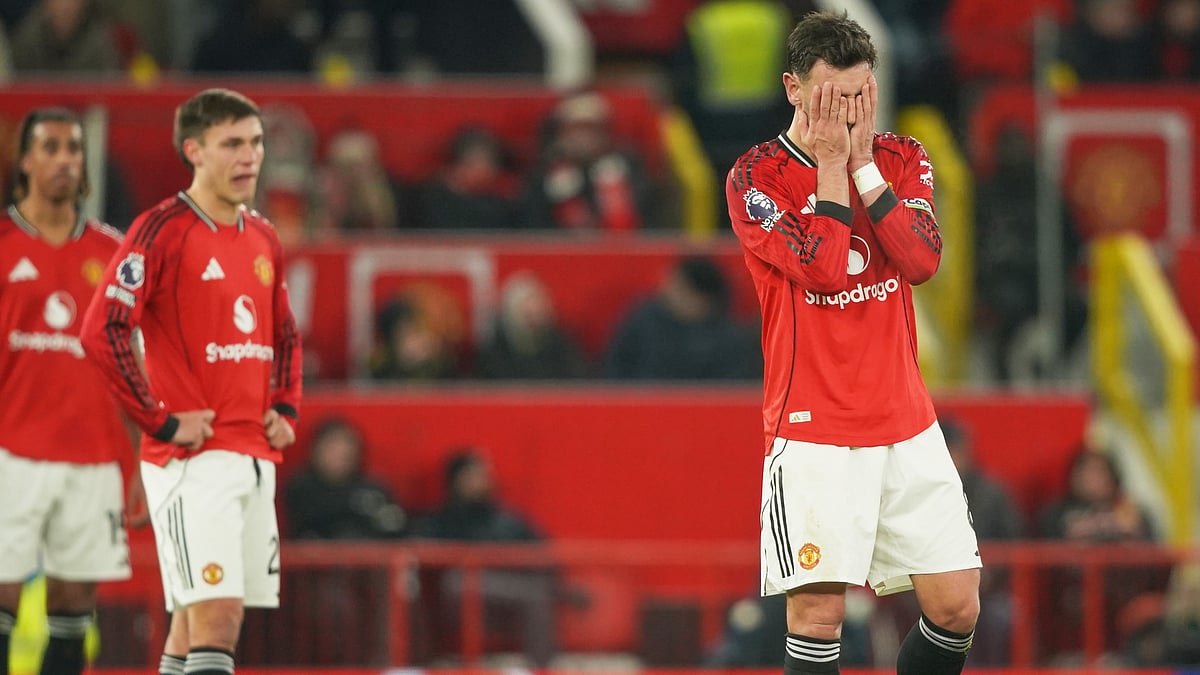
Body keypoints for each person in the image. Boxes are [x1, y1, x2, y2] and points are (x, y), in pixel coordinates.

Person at [725, 12, 981, 675]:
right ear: (793, 88)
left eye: (862, 94)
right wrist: (833, 169)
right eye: (832, 97)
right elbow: (826, 267)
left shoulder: (902, 157)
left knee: (957, 607)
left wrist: (863, 165)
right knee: (818, 620)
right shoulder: (756, 179)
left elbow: (922, 262)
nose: (848, 112)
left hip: (906, 421)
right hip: (814, 428)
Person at [79, 88, 303, 675]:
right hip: (192, 461)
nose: (249, 157)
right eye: (232, 144)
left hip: (252, 454)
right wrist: (158, 420)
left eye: (256, 142)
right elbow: (102, 329)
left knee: (194, 619)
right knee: (217, 617)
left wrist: (286, 406)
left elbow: (284, 333)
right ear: (194, 151)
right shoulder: (161, 230)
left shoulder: (263, 237)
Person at [0, 107, 135, 675]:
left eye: (73, 149)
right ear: (25, 161)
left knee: (76, 603)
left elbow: (133, 364)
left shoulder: (114, 254)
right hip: (10, 453)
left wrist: (142, 461)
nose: (64, 160)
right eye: (50, 147)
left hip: (93, 457)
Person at [604, 256, 760, 380]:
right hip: (640, 406)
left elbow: (730, 390)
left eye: (680, 288)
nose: (668, 291)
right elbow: (616, 369)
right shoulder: (644, 320)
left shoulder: (729, 340)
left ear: (703, 300)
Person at [283, 417, 407, 540]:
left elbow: (395, 526)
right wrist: (357, 505)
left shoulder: (375, 489)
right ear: (315, 450)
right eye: (332, 448)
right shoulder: (301, 489)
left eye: (345, 450)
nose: (339, 455)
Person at [476, 271, 590, 380]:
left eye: (538, 306)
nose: (535, 311)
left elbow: (577, 378)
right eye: (526, 311)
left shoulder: (560, 343)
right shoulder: (497, 352)